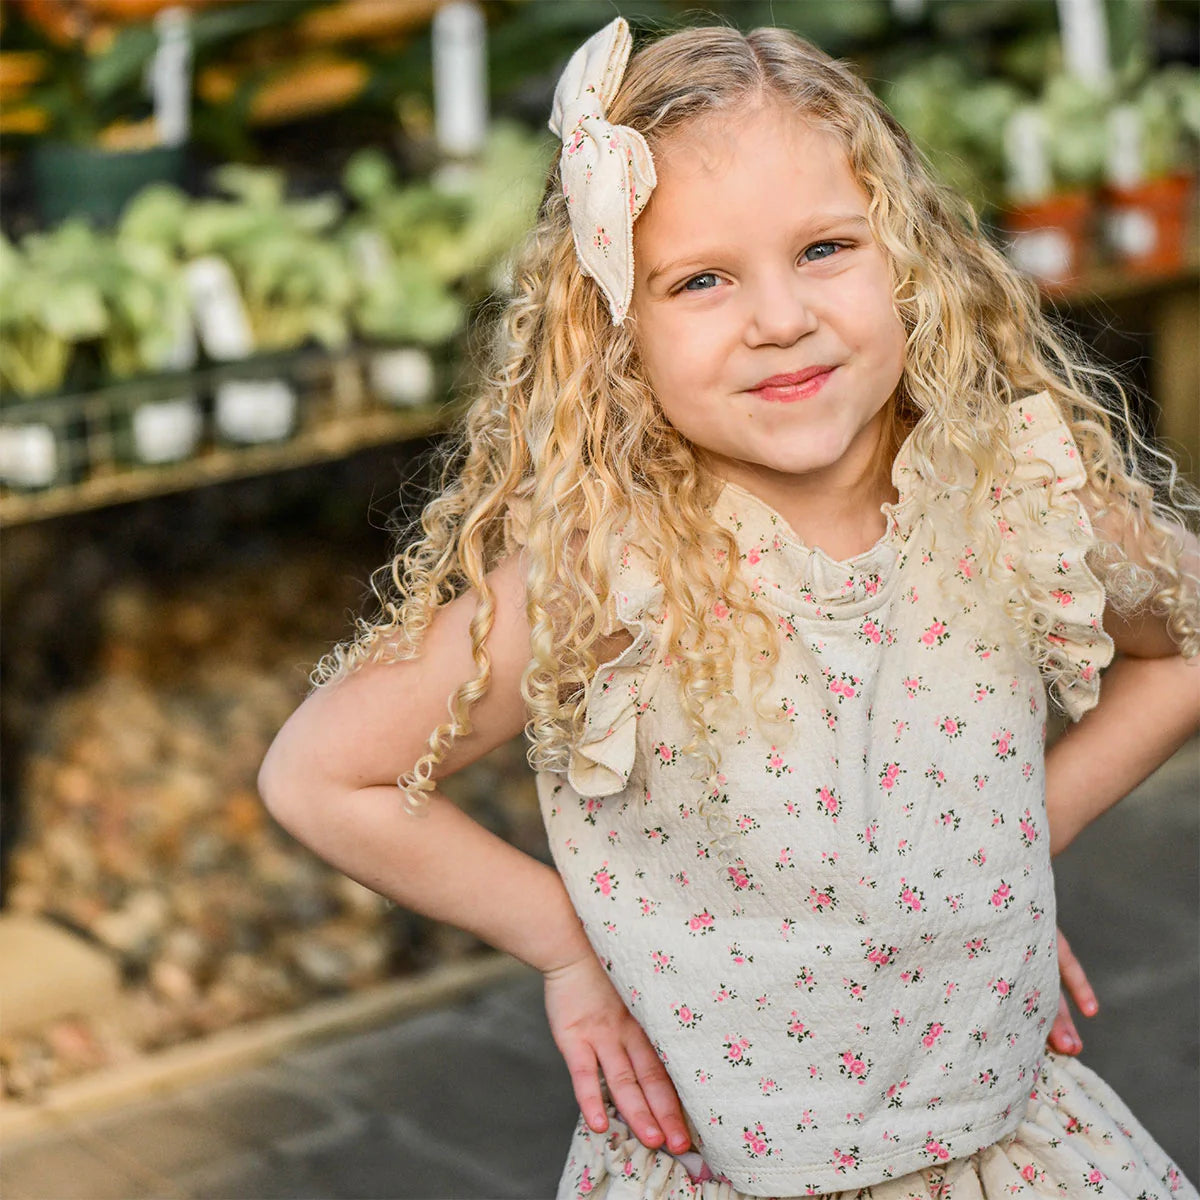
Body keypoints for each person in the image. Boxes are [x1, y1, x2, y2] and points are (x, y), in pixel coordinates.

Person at [258, 17, 1200, 1200]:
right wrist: (568, 951)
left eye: (823, 249)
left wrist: (1012, 853)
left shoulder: (1010, 495)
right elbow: (321, 776)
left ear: (909, 258)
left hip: (1014, 1152)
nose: (778, 317)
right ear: (615, 332)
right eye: (701, 279)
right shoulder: (613, 571)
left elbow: (1186, 645)